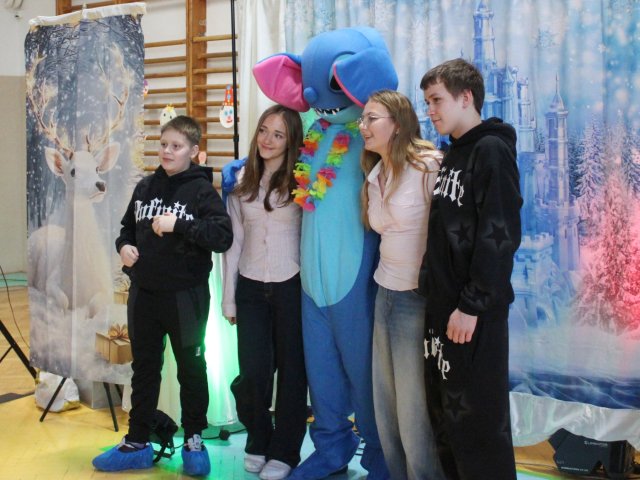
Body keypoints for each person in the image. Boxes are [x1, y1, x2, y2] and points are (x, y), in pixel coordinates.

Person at [92, 115, 233, 476]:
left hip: (185, 297)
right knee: (144, 369)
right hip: (144, 295)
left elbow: (222, 237)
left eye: (177, 146)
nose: (167, 151)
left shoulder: (202, 191)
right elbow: (126, 229)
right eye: (164, 144)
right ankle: (137, 442)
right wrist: (124, 248)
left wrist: (180, 224)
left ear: (194, 151)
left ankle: (194, 440)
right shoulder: (144, 187)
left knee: (191, 368)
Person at [418, 58, 522, 479]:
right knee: (446, 422)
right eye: (427, 102)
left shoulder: (491, 150)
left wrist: (472, 305)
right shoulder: (452, 153)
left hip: (472, 316)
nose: (431, 111)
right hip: (442, 311)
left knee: (479, 427)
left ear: (466, 98)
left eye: (437, 100)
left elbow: (500, 233)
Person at [359, 89, 446, 480]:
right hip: (385, 293)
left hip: (417, 297)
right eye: (362, 119)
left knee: (414, 411)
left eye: (371, 118)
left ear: (397, 124)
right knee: (387, 406)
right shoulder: (374, 174)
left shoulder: (428, 166)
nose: (363, 126)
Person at [222, 105, 307, 480]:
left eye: (278, 134)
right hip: (251, 287)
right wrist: (229, 297)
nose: (268, 140)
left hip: (292, 285)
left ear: (291, 141)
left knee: (292, 374)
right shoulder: (239, 180)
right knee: (253, 372)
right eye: (263, 131)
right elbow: (234, 243)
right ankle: (258, 439)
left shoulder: (303, 179)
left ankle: (286, 451)